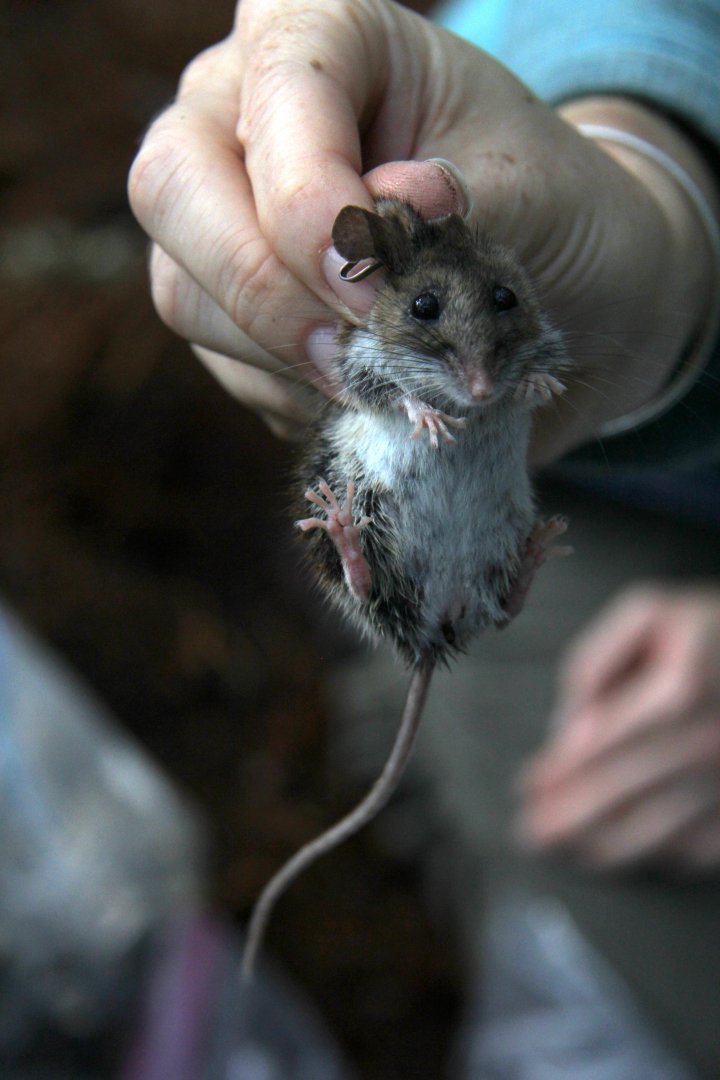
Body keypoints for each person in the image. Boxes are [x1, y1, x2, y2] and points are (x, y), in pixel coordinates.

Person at [128, 1, 720, 1075]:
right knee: (569, 791)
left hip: (590, 512)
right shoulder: (394, 319)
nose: (480, 364)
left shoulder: (504, 317)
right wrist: (653, 174)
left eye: (497, 314)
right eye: (442, 326)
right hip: (601, 502)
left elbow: (527, 354)